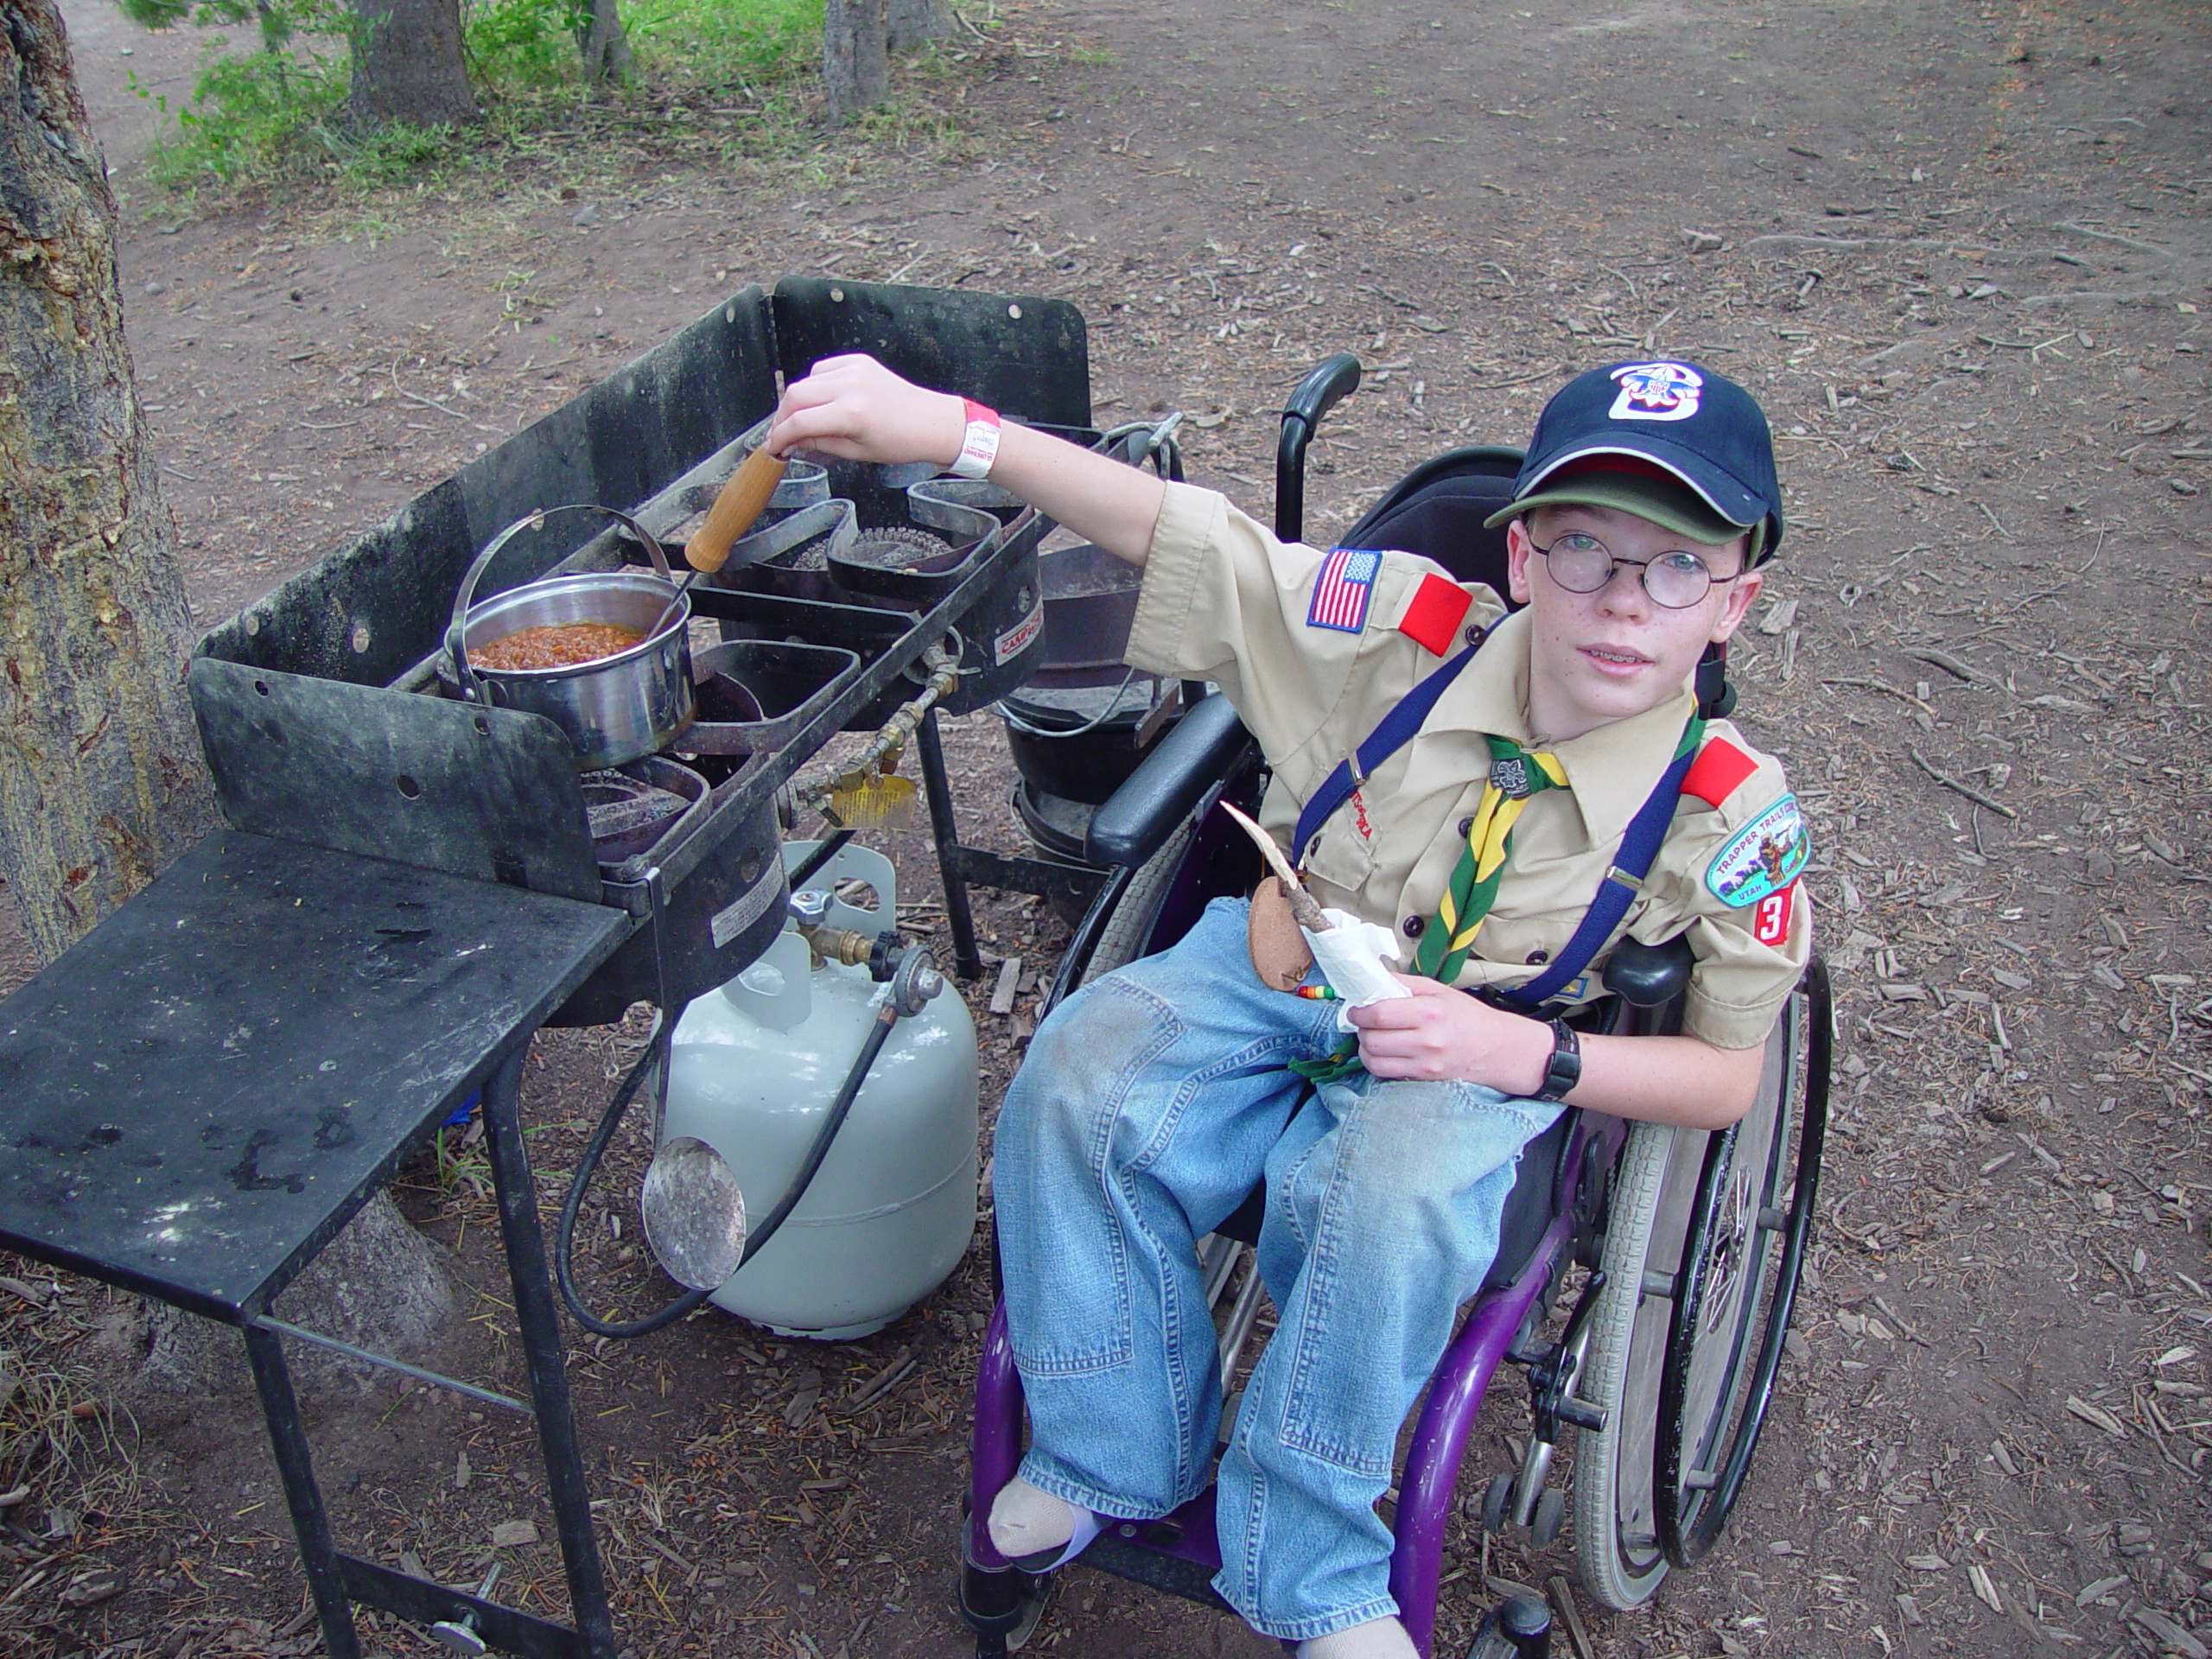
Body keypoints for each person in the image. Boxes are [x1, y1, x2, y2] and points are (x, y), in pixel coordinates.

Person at [766, 355, 1811, 1659]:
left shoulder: (1726, 816)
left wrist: (1515, 1051)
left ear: (1734, 603)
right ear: (1523, 560)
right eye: (1584, 547)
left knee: (1381, 1191)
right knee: (1080, 1069)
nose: (1621, 599)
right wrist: (963, 435)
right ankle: (1108, 1453)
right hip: (1285, 954)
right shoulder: (1400, 633)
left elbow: (1728, 1080)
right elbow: (1182, 535)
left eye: (1675, 567)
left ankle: (1317, 1565)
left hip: (1486, 1036)